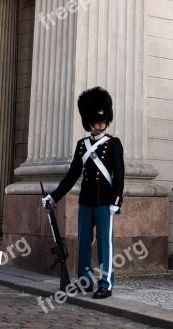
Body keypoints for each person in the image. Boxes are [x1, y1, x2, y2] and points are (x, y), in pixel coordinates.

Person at [42, 86, 124, 299]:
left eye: (103, 119)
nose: (101, 122)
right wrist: (54, 195)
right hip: (86, 201)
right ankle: (85, 280)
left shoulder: (113, 144)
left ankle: (106, 282)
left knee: (105, 243)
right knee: (84, 241)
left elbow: (119, 174)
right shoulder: (82, 146)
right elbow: (72, 175)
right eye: (97, 120)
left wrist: (117, 199)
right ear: (89, 121)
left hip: (106, 201)